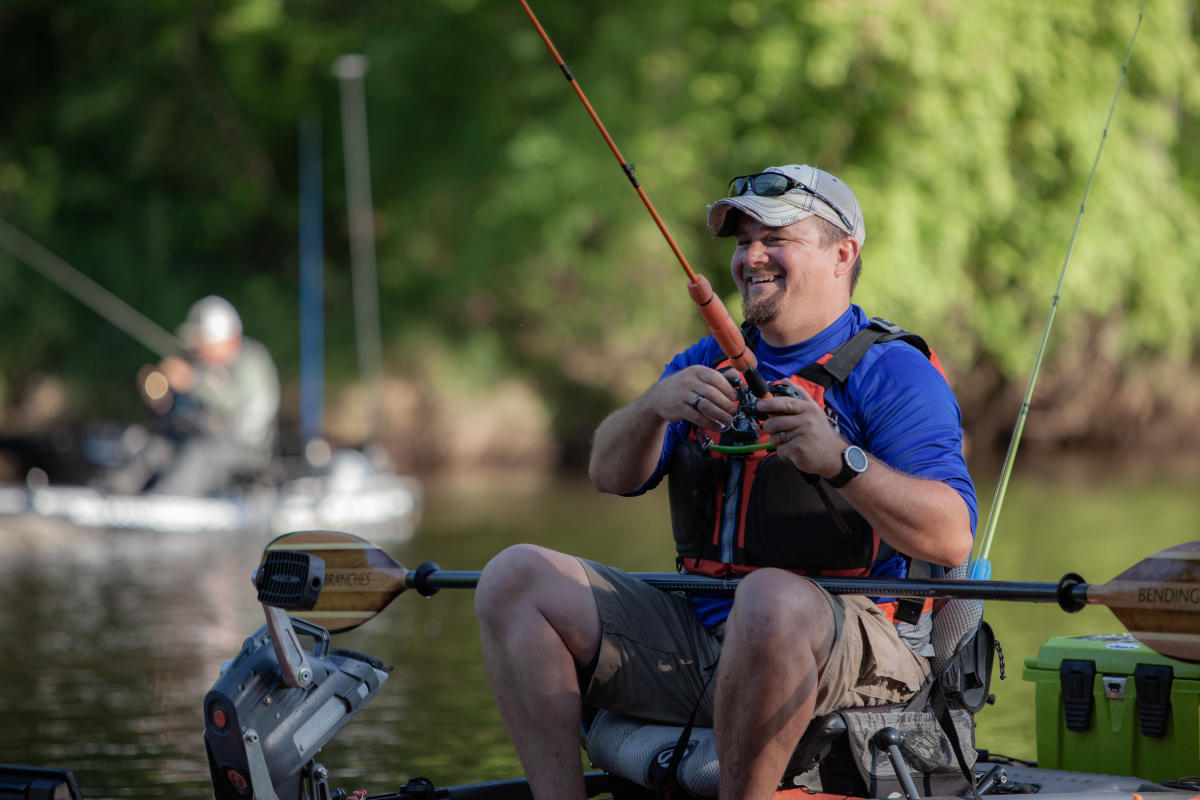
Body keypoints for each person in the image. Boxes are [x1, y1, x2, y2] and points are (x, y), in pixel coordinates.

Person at [474, 164, 977, 799]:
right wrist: (656, 406)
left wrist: (839, 459)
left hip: (853, 645)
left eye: (774, 238)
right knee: (512, 576)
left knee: (769, 598)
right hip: (701, 641)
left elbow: (952, 537)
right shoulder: (703, 360)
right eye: (742, 243)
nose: (751, 258)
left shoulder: (894, 372)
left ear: (841, 253)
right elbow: (607, 474)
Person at [107, 295, 281, 496]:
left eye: (201, 341)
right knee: (155, 446)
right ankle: (115, 494)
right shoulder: (201, 365)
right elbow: (180, 416)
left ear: (226, 339)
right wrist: (161, 398)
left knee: (198, 454)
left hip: (244, 450)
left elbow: (242, 410)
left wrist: (195, 382)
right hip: (198, 440)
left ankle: (165, 504)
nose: (195, 348)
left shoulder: (251, 363)